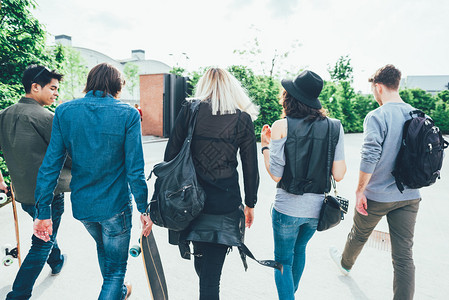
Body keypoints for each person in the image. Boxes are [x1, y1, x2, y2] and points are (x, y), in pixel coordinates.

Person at [33, 63, 153, 300]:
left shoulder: (65, 112)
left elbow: (50, 166)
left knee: (104, 250)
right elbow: (135, 169)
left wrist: (42, 210)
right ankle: (115, 289)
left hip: (84, 207)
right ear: (117, 85)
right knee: (116, 271)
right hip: (115, 207)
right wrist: (144, 208)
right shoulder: (128, 114)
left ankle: (118, 292)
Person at [164, 67, 260, 300]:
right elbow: (250, 166)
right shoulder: (242, 118)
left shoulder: (191, 111)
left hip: (189, 202)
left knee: (206, 271)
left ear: (203, 86)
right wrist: (250, 204)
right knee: (210, 276)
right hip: (224, 206)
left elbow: (170, 155)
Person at [329, 65, 421, 300]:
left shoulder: (377, 116)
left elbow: (370, 156)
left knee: (359, 234)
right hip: (410, 196)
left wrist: (360, 191)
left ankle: (345, 264)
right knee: (403, 256)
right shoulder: (418, 114)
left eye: (373, 89)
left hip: (377, 195)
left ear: (378, 87)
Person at [261, 70, 346, 300]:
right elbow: (339, 174)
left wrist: (265, 147)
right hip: (316, 210)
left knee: (282, 261)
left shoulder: (281, 125)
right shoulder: (335, 126)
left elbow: (276, 175)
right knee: (299, 251)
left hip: (286, 208)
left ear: (290, 97)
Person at [0, 65, 71, 300]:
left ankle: (58, 260)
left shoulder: (5, 114)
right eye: (52, 88)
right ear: (35, 87)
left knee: (45, 232)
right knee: (41, 243)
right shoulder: (45, 117)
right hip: (48, 195)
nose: (56, 94)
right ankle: (18, 295)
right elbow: (67, 154)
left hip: (21, 193)